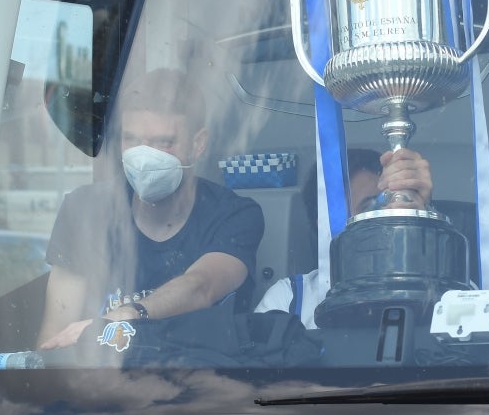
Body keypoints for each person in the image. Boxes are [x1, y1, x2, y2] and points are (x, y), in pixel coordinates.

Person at [38, 68, 264, 350]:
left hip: (201, 374)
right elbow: (55, 334)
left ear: (198, 144)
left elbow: (202, 286)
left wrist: (128, 315)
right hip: (101, 374)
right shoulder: (84, 210)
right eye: (131, 140)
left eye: (163, 143)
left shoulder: (234, 215)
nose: (144, 157)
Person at [254, 147, 433, 330]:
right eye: (368, 208)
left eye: (389, 204)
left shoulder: (439, 293)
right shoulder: (288, 300)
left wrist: (418, 219)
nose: (385, 216)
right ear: (326, 225)